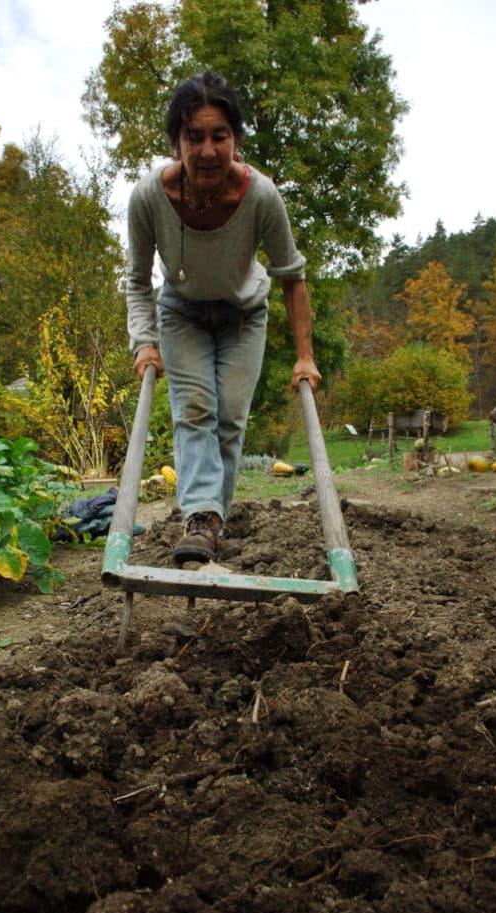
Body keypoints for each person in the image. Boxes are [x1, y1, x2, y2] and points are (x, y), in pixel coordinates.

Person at [126, 69, 321, 565]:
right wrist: (143, 340)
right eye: (195, 137)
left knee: (229, 424)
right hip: (182, 314)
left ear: (235, 140)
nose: (208, 150)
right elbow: (138, 279)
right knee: (194, 412)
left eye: (220, 136)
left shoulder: (260, 197)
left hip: (243, 316)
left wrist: (305, 356)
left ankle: (211, 521)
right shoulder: (149, 198)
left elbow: (291, 276)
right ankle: (202, 520)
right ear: (176, 143)